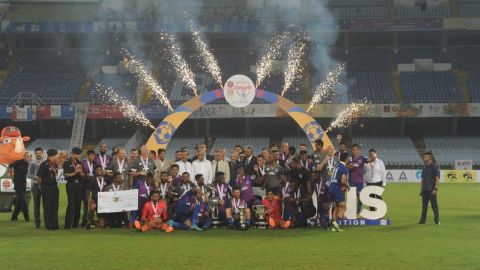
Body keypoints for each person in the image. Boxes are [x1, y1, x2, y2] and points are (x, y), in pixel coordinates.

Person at [36, 149, 60, 230]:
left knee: (55, 206)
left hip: (54, 186)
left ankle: (55, 224)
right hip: (47, 187)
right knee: (47, 206)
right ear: (52, 156)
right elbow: (39, 177)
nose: (57, 156)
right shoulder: (44, 164)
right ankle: (48, 225)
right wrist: (40, 187)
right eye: (56, 155)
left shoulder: (54, 164)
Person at [328, 152, 350, 232]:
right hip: (336, 189)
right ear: (347, 159)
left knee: (336, 207)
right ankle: (336, 223)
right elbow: (343, 180)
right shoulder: (344, 168)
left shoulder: (336, 166)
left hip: (330, 188)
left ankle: (334, 227)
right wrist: (348, 186)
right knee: (344, 207)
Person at [63, 147, 84, 229]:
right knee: (71, 204)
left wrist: (81, 173)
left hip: (79, 185)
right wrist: (75, 172)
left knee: (78, 204)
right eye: (78, 154)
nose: (79, 155)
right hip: (71, 184)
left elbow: (81, 173)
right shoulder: (67, 163)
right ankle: (67, 225)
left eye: (80, 154)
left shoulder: (80, 163)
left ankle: (75, 224)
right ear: (73, 154)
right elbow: (66, 175)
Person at [418, 152, 440, 225]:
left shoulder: (434, 167)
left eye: (425, 157)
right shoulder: (424, 167)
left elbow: (437, 179)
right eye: (424, 157)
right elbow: (422, 179)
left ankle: (437, 221)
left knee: (434, 206)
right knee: (424, 207)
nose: (424, 158)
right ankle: (422, 221)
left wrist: (435, 189)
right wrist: (421, 190)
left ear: (429, 158)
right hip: (424, 190)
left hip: (431, 190)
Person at [9, 152, 30, 222]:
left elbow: (25, 174)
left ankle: (14, 216)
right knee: (23, 200)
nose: (28, 158)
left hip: (23, 183)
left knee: (19, 201)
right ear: (23, 156)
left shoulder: (27, 164)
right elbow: (10, 166)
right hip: (17, 184)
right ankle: (26, 217)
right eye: (27, 156)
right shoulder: (17, 162)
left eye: (29, 156)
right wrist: (11, 176)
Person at [86, 165, 108, 230]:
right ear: (95, 171)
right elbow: (88, 190)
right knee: (92, 207)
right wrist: (89, 199)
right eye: (97, 169)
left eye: (100, 169)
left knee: (101, 225)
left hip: (103, 201)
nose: (99, 171)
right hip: (94, 200)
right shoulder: (92, 180)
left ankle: (95, 222)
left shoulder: (106, 180)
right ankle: (89, 222)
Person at [28, 147, 44, 228]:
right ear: (35, 154)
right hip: (35, 186)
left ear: (42, 153)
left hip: (44, 186)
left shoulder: (45, 162)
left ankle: (47, 221)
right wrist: (37, 177)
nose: (38, 154)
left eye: (39, 153)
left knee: (46, 205)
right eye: (37, 153)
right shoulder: (32, 163)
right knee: (36, 205)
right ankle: (37, 223)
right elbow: (29, 174)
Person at [348, 144, 366, 214]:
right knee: (351, 198)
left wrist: (374, 156)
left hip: (360, 182)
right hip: (351, 181)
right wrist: (350, 166)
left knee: (360, 198)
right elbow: (346, 165)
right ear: (351, 150)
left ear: (359, 150)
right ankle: (351, 213)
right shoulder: (349, 158)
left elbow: (370, 160)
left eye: (356, 149)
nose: (354, 151)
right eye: (353, 149)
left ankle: (357, 212)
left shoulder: (363, 158)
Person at [81, 149, 96, 227]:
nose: (93, 157)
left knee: (92, 203)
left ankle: (90, 220)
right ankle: (84, 221)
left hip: (92, 186)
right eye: (91, 156)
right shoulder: (83, 163)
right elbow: (81, 174)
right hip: (85, 186)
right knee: (86, 204)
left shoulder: (95, 164)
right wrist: (86, 176)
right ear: (87, 156)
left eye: (94, 156)